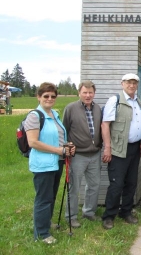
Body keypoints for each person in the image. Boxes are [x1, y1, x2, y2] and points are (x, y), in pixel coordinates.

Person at [25, 82, 75, 244]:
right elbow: (33, 142)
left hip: (56, 162)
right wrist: (59, 150)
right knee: (43, 198)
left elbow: (58, 137)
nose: (49, 99)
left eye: (53, 96)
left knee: (51, 196)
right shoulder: (34, 116)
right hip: (43, 164)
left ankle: (45, 224)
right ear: (38, 97)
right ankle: (42, 234)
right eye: (46, 96)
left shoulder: (54, 114)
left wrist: (67, 147)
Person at [101, 73, 141, 230]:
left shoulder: (138, 102)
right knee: (116, 184)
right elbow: (105, 125)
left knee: (131, 183)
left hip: (134, 148)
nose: (132, 85)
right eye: (129, 82)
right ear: (122, 83)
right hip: (118, 149)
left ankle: (125, 212)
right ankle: (109, 215)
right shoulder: (116, 100)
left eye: (134, 83)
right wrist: (107, 147)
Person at [62, 81, 103, 228]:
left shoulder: (98, 108)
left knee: (94, 185)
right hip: (77, 155)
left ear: (94, 93)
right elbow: (64, 130)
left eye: (90, 92)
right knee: (74, 186)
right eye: (85, 92)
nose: (88, 95)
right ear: (79, 93)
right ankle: (71, 216)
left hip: (95, 154)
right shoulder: (70, 108)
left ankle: (89, 212)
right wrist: (67, 146)